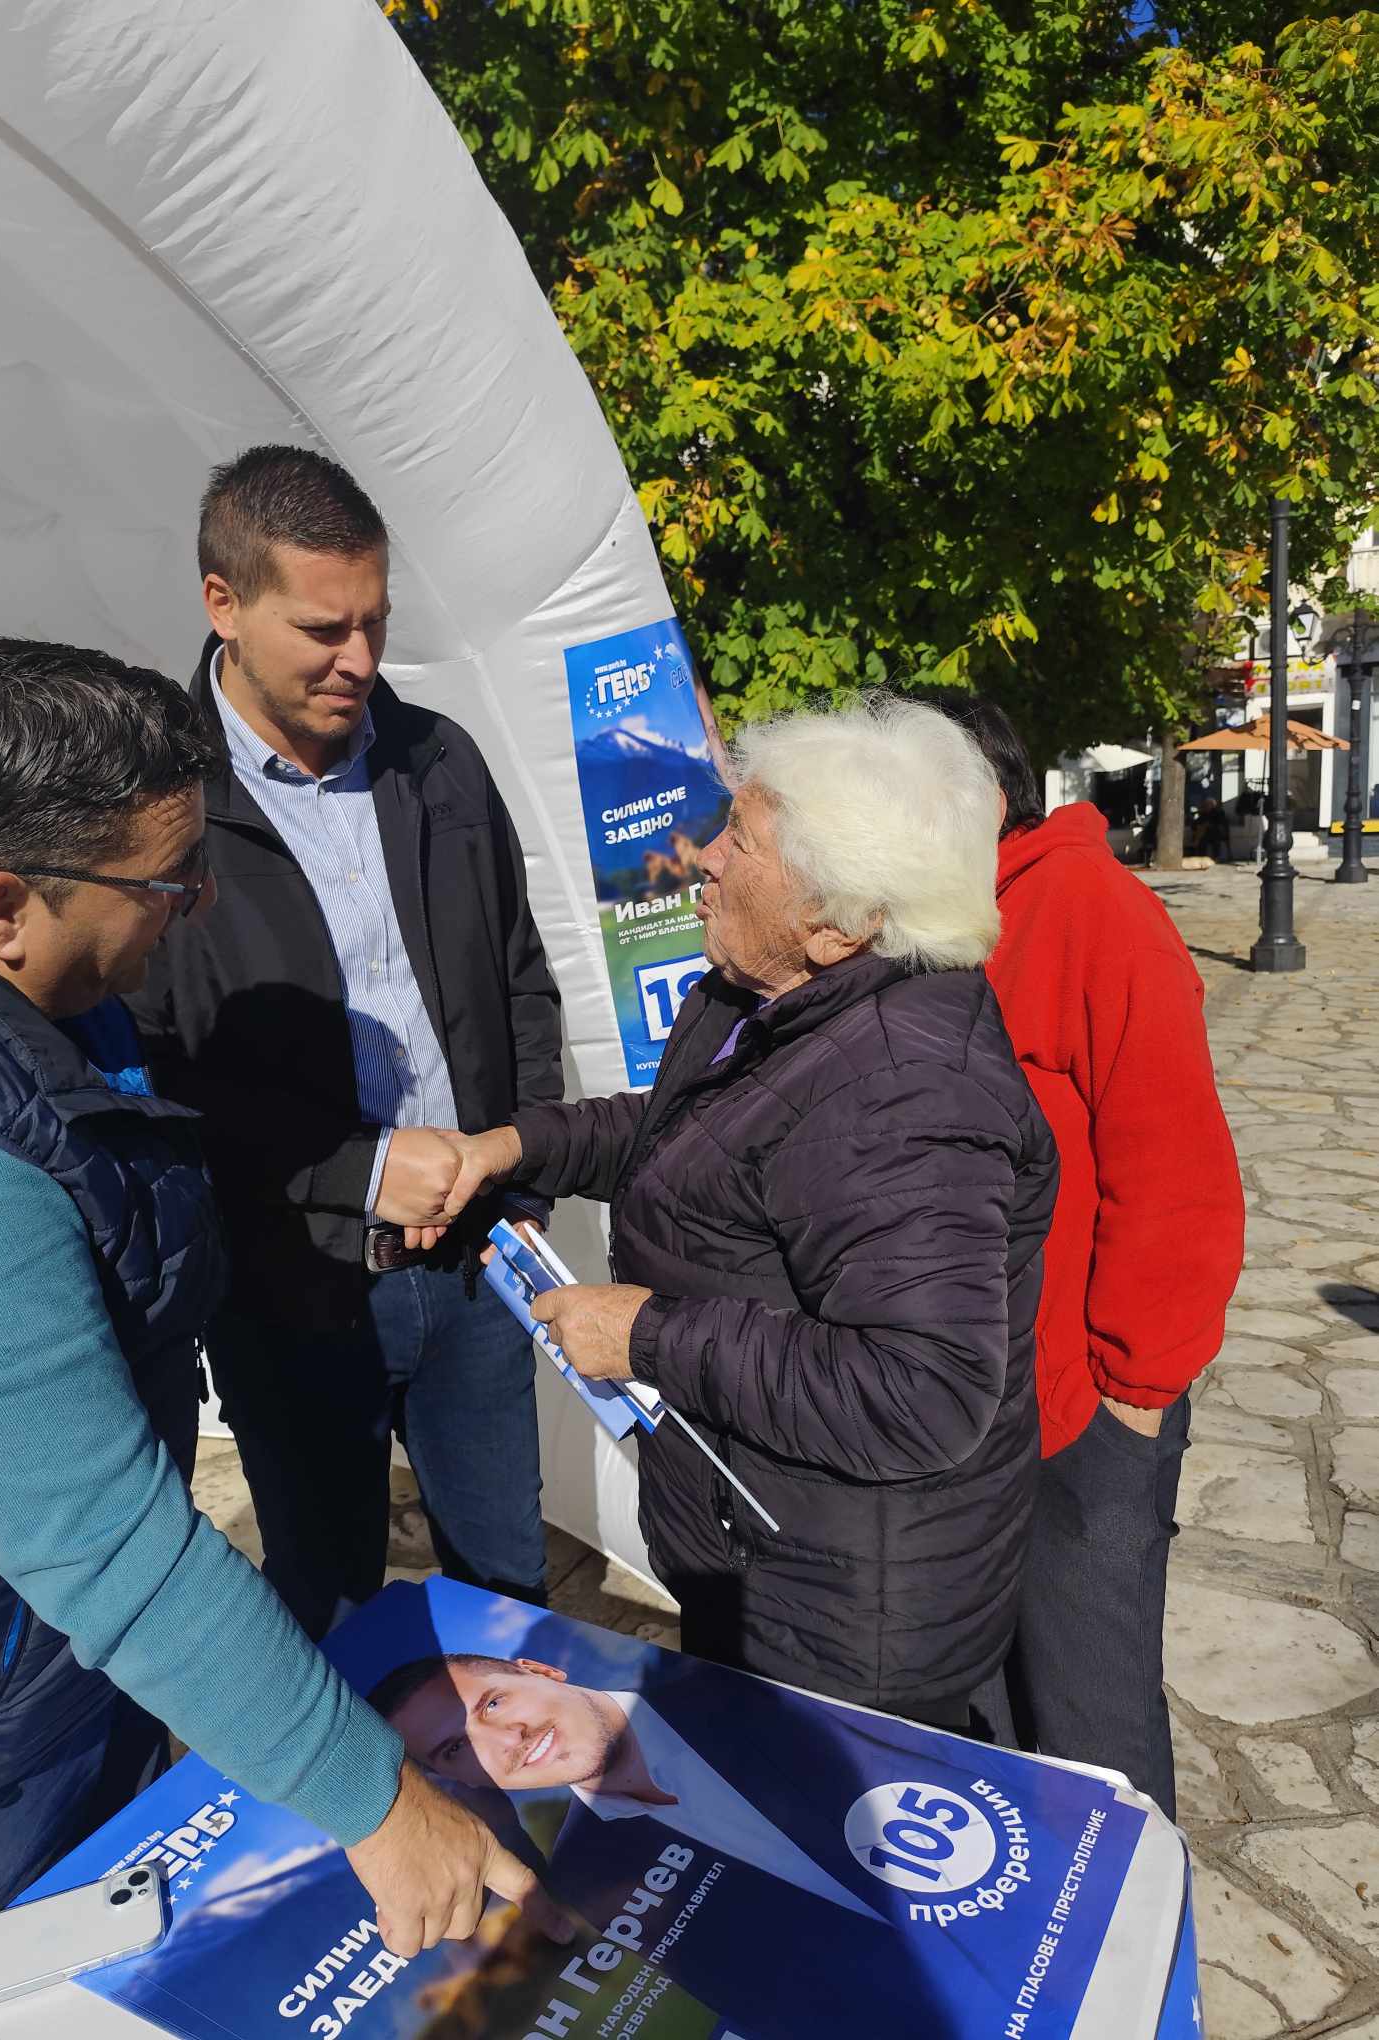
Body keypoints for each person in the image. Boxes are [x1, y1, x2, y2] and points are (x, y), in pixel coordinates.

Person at [0, 640, 562, 2021]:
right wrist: (375, 1800)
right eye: (168, 882)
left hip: (37, 1679)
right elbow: (107, 1545)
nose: (198, 907)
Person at [439, 698, 1058, 1728]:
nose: (705, 855)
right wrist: (515, 1144)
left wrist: (644, 1333)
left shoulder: (905, 1094)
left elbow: (922, 1389)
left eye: (745, 840)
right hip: (757, 1545)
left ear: (839, 922)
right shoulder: (764, 998)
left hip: (844, 1612)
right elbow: (688, 1134)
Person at [127, 445, 562, 1640]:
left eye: (376, 620)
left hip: (478, 1276)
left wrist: (516, 1183)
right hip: (296, 1291)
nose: (360, 660)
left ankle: (504, 1826)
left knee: (509, 1612)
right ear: (221, 602)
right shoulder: (155, 812)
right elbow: (159, 1077)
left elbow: (520, 982)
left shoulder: (440, 763)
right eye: (324, 628)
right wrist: (361, 1169)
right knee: (331, 1628)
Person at [927, 693, 1244, 1817]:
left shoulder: (1092, 911)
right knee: (997, 1718)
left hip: (1090, 1411)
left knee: (1093, 1723)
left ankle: (1143, 1974)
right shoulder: (936, 926)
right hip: (979, 1409)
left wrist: (1135, 1400)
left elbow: (1179, 1181)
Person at [370, 1652, 876, 1920]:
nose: (509, 1739)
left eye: (493, 1703)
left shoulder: (739, 1683)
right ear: (458, 1781)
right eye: (457, 1748)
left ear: (543, 1671)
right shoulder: (584, 1878)